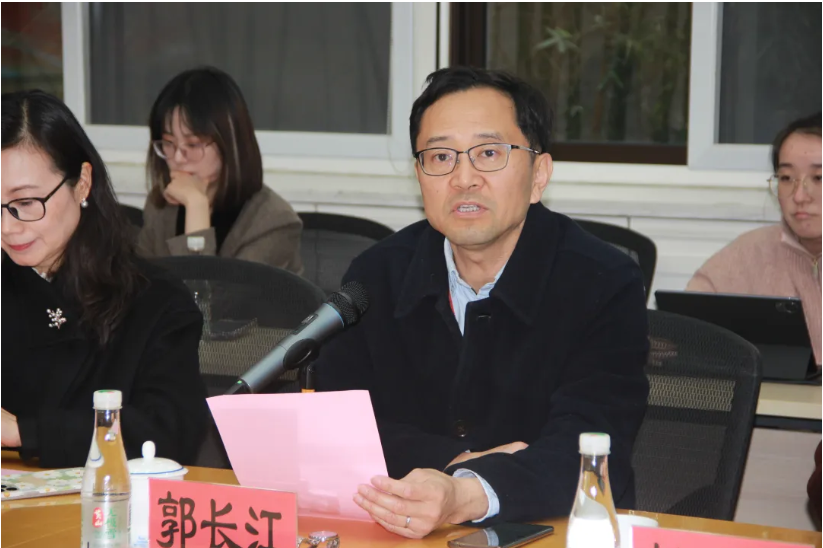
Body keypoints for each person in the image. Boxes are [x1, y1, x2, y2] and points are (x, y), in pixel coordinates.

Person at [313, 67, 650, 538]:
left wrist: (463, 493)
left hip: (561, 533)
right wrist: (457, 462)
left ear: (539, 174)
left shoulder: (602, 282)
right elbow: (338, 425)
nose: (463, 178)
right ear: (420, 176)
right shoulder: (376, 276)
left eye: (489, 153)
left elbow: (589, 448)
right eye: (440, 156)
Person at [1, 90, 208, 467]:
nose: (8, 227)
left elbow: (167, 433)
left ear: (81, 183)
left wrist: (23, 433)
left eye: (26, 203)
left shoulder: (156, 302)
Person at [137, 67, 303, 274]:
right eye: (168, 143)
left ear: (229, 144)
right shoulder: (161, 205)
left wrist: (197, 206)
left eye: (193, 144)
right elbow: (140, 284)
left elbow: (205, 294)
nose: (178, 158)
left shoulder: (273, 222)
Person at [687, 113, 821, 365]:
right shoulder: (747, 253)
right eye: (786, 178)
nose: (799, 196)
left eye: (818, 178)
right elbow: (681, 336)